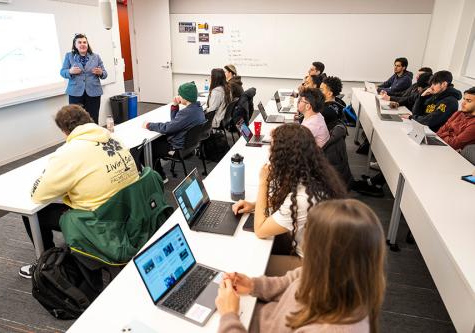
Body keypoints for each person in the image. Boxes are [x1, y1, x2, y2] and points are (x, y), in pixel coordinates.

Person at [216, 199, 386, 333]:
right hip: (260, 317)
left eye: (308, 238)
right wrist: (254, 285)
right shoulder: (335, 278)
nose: (303, 244)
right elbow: (294, 279)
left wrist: (229, 315)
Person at [19, 105, 139, 278]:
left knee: (33, 215)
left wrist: (47, 172)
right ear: (89, 119)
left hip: (98, 219)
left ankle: (48, 265)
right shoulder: (114, 139)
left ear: (64, 131)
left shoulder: (68, 153)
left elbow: (38, 195)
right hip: (127, 211)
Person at [231, 123, 346, 259]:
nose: (269, 153)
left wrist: (263, 182)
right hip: (311, 251)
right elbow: (283, 199)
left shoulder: (302, 198)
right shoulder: (312, 173)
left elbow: (260, 230)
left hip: (310, 266)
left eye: (273, 149)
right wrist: (254, 205)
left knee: (250, 262)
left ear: (285, 156)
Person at [142, 81, 205, 180]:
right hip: (188, 146)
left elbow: (168, 128)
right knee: (157, 141)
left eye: (180, 94)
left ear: (185, 97)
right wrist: (175, 106)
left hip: (177, 148)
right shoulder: (198, 109)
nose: (178, 96)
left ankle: (161, 178)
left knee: (148, 148)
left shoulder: (186, 113)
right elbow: (175, 123)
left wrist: (149, 125)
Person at [60, 34, 108, 124]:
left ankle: (94, 137)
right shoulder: (69, 56)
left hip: (94, 92)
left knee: (93, 118)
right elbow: (62, 72)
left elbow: (105, 74)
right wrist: (70, 71)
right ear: (75, 45)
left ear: (87, 44)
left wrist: (100, 72)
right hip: (75, 93)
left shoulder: (95, 57)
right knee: (75, 120)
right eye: (79, 42)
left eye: (84, 42)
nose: (82, 44)